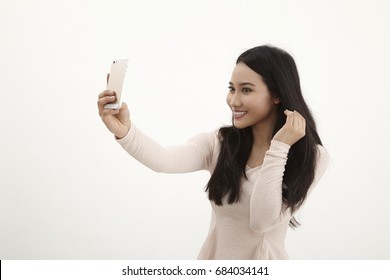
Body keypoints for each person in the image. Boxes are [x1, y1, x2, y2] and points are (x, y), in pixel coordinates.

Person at [97, 45, 329, 260]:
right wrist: (125, 131)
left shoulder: (312, 157)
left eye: (246, 90)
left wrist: (280, 147)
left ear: (276, 95)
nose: (233, 101)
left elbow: (261, 221)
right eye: (232, 89)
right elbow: (165, 161)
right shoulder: (221, 143)